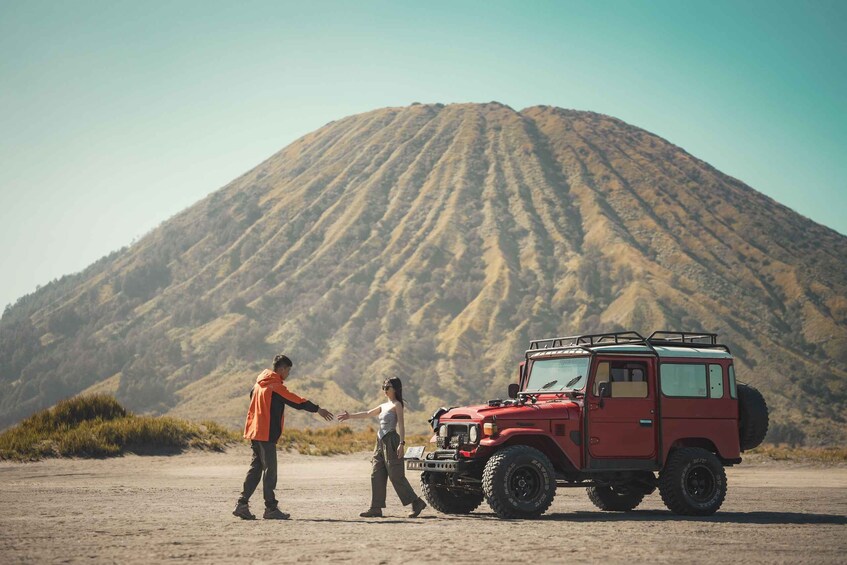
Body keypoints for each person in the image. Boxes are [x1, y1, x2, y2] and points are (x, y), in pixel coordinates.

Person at [233, 354, 334, 520]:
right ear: (281, 369)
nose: (288, 374)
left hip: (255, 432)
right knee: (270, 471)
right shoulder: (275, 386)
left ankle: (242, 504)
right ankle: (271, 508)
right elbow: (296, 401)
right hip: (266, 434)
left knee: (256, 468)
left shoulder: (258, 385)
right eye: (288, 370)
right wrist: (318, 409)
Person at [338, 377, 427, 518]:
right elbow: (367, 414)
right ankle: (376, 508)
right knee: (376, 473)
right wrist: (350, 416)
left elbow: (401, 425)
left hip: (391, 440)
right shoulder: (383, 405)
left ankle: (416, 502)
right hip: (379, 441)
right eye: (383, 387)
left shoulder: (397, 405)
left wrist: (401, 444)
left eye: (388, 387)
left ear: (395, 389)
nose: (385, 390)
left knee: (396, 475)